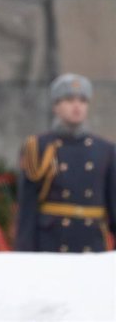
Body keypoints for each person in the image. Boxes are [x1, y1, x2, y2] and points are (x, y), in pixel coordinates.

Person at [15, 73, 116, 252]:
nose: (77, 106)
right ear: (56, 106)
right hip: (52, 242)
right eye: (69, 100)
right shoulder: (38, 147)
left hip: (92, 242)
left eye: (83, 100)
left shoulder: (106, 150)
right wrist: (25, 253)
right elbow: (27, 207)